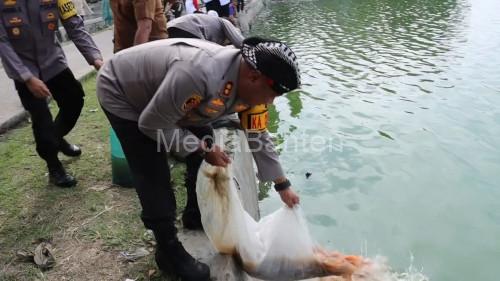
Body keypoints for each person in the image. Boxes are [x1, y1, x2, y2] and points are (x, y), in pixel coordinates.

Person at [96, 37, 300, 280]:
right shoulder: (199, 75)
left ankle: (194, 214)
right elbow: (151, 124)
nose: (270, 102)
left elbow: (258, 135)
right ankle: (168, 250)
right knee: (152, 170)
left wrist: (282, 185)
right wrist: (202, 149)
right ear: (254, 77)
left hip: (170, 100)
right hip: (124, 93)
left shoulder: (249, 88)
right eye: (271, 94)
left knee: (205, 137)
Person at [0, 0, 103, 187]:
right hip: (24, 69)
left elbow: (75, 27)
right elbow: (2, 41)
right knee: (41, 119)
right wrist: (27, 78)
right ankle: (54, 167)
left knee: (74, 100)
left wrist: (96, 59)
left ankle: (54, 140)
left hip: (53, 62)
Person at [167, 13, 244, 47]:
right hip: (189, 29)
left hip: (172, 27)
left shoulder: (213, 25)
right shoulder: (225, 22)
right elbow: (241, 43)